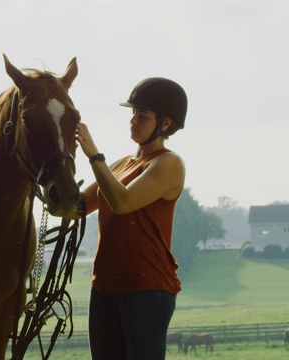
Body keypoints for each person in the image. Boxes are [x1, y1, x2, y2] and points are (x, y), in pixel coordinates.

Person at [75, 77, 188, 359]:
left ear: (165, 124)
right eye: (133, 114)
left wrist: (93, 156)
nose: (133, 121)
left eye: (142, 116)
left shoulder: (169, 163)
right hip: (104, 286)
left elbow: (122, 202)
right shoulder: (120, 164)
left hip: (147, 289)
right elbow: (75, 208)